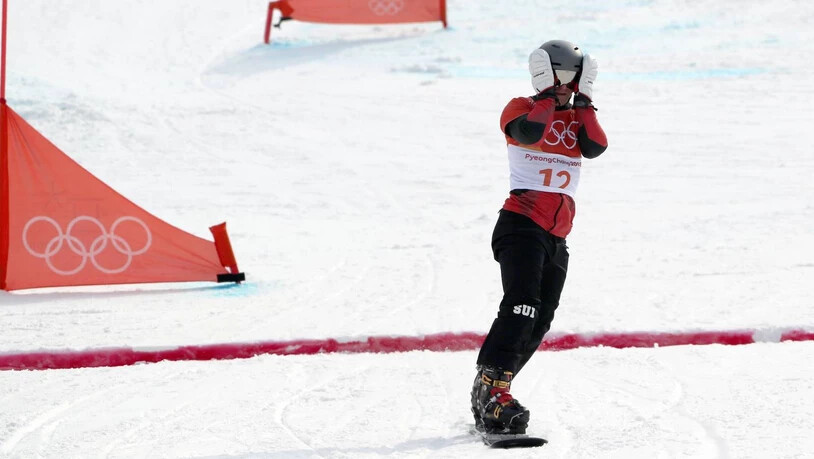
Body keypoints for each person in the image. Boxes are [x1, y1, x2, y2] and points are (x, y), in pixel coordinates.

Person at [470, 40, 608, 435]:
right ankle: (494, 392)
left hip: (556, 236)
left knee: (540, 318)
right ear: (543, 75)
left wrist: (585, 103)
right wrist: (548, 95)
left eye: (573, 77)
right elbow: (529, 134)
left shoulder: (578, 117)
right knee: (522, 306)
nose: (566, 84)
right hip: (521, 225)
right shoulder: (521, 107)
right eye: (559, 76)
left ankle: (494, 389)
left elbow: (596, 147)